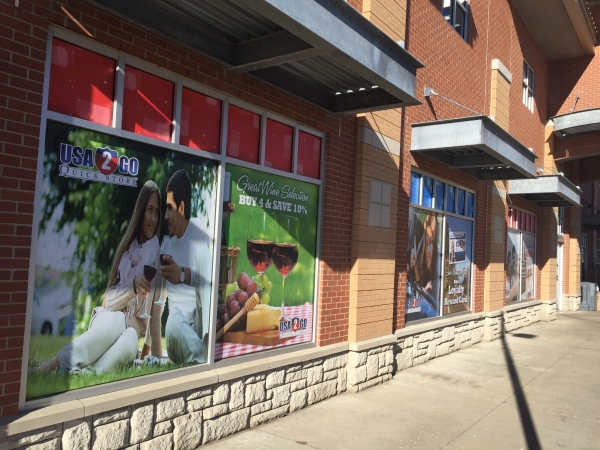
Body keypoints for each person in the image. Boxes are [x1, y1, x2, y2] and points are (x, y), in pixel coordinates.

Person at [35, 181, 162, 373]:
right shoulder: (126, 253)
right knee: (118, 319)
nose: (153, 217)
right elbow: (109, 303)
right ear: (140, 212)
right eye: (149, 210)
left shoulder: (157, 259)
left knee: (130, 338)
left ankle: (84, 375)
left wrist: (145, 355)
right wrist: (132, 287)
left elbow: (156, 314)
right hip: (108, 320)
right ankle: (51, 365)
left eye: (157, 211)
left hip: (130, 333)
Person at [150, 170, 212, 364]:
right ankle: (201, 359)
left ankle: (204, 350)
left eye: (169, 208)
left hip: (200, 327)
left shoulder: (197, 230)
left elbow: (208, 278)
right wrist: (150, 350)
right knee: (174, 320)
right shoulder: (166, 246)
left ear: (182, 208)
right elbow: (157, 301)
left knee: (204, 255)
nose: (165, 215)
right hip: (176, 332)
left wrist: (183, 275)